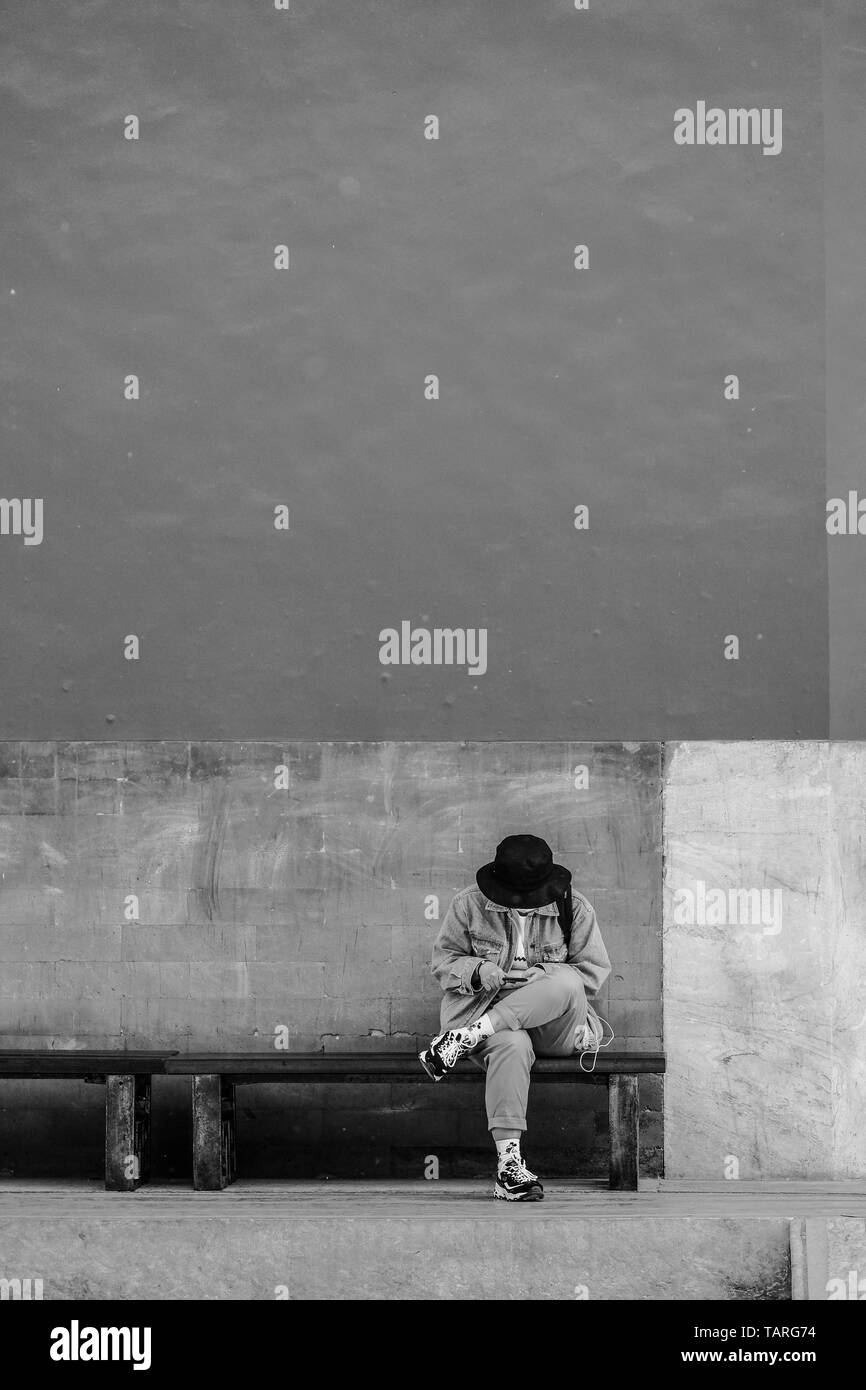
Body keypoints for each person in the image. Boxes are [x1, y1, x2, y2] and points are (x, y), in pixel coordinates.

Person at [420, 834, 611, 1201]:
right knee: (510, 1042)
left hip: (553, 1021)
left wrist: (543, 975)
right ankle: (509, 1168)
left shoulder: (576, 908)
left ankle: (466, 1038)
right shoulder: (468, 905)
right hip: (489, 1010)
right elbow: (443, 963)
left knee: (566, 979)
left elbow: (592, 974)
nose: (522, 906)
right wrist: (478, 971)